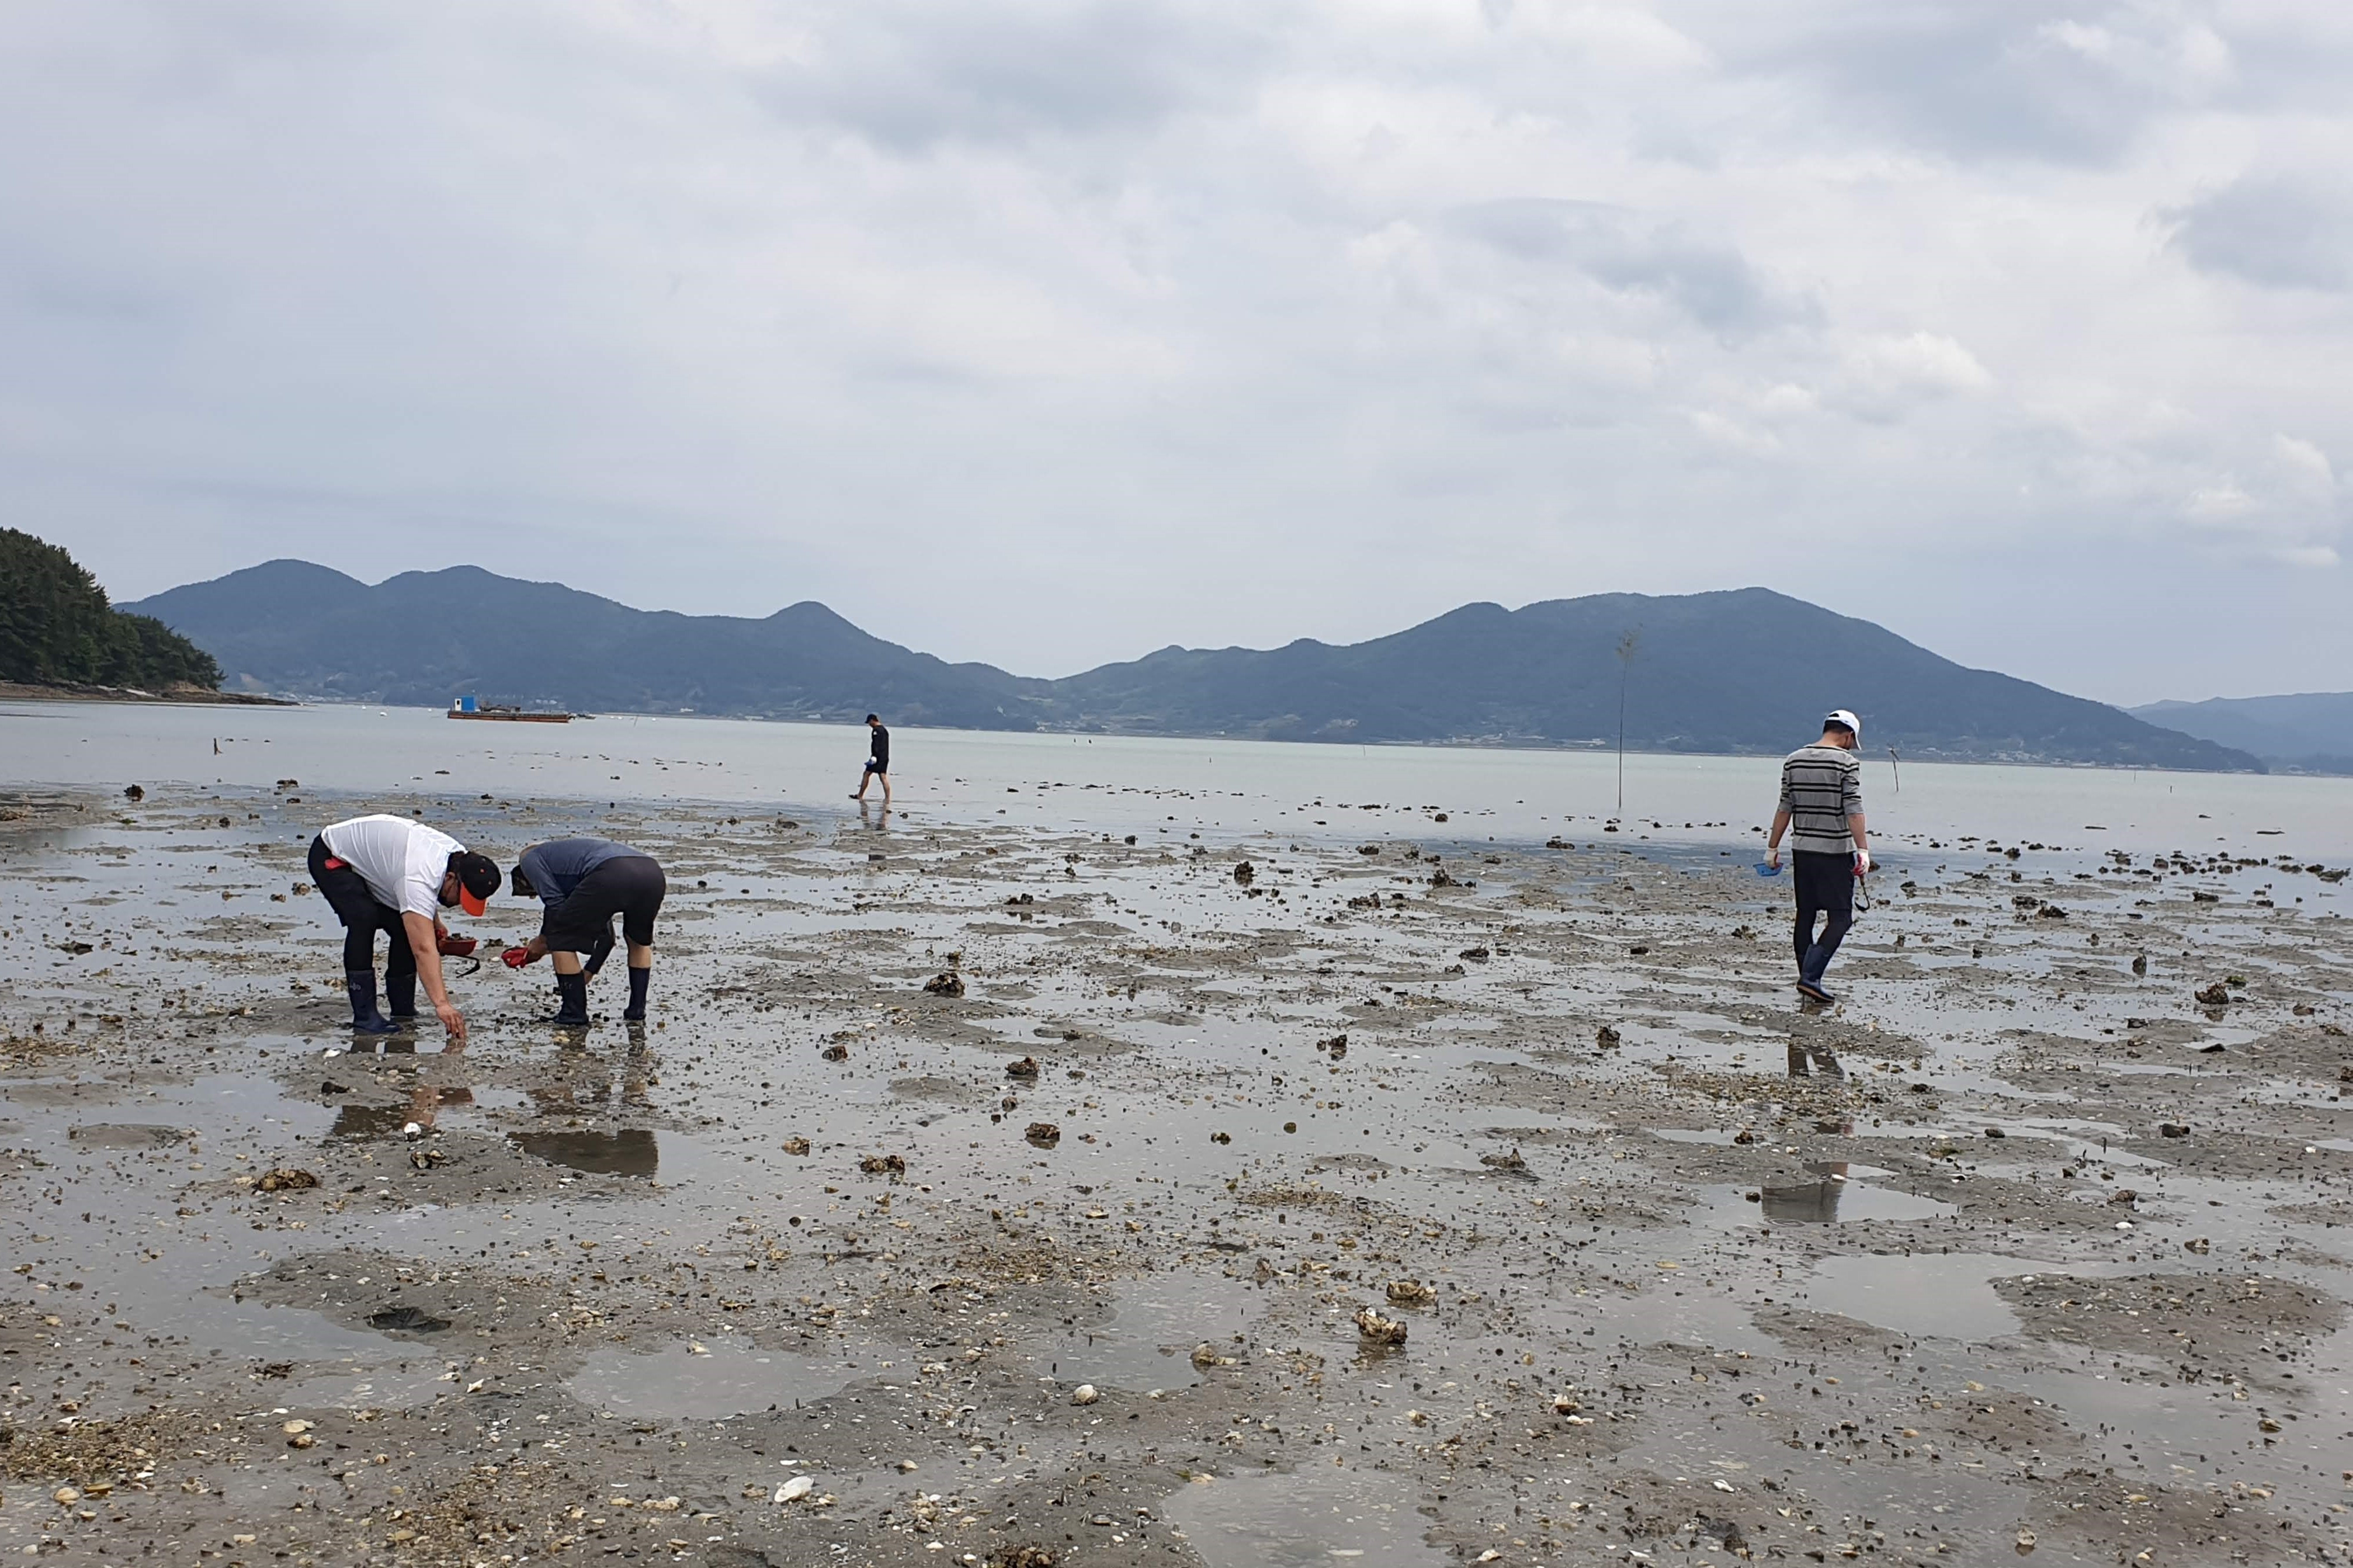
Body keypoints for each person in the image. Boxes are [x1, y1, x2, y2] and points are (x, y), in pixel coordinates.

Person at [308, 813, 500, 1042]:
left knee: (404, 927)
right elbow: (423, 949)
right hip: (333, 854)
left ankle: (402, 1010)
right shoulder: (418, 875)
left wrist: (434, 922)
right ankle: (365, 1017)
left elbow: (427, 892)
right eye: (461, 896)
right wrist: (442, 1005)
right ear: (451, 877)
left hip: (381, 863)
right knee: (363, 919)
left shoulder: (458, 857)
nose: (459, 903)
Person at [1765, 708, 1872, 1004]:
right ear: (1848, 735)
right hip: (1835, 851)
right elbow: (1853, 808)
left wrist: (1772, 848)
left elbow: (1784, 808)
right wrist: (1862, 850)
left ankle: (1808, 978)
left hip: (1803, 850)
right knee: (1840, 917)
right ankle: (1811, 978)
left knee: (1806, 914)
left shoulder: (1793, 760)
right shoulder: (1847, 763)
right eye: (1853, 740)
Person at [501, 837, 667, 1024]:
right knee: (638, 941)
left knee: (561, 938)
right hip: (651, 872)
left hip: (610, 873)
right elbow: (607, 939)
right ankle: (636, 1011)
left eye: (532, 893)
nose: (534, 896)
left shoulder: (529, 861)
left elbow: (555, 906)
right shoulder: (569, 865)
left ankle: (573, 1014)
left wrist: (540, 944)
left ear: (525, 879)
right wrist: (586, 974)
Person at [851, 713, 891, 804]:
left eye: (869, 723)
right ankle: (888, 798)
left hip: (877, 758)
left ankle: (860, 795)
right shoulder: (884, 730)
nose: (869, 725)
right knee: (883, 777)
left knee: (866, 774)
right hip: (885, 757)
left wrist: (874, 757)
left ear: (872, 721)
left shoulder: (876, 731)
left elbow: (876, 745)